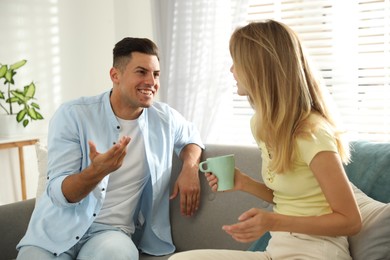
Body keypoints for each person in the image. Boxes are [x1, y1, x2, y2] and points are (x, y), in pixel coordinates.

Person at [168, 20, 362, 260]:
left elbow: (351, 221)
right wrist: (244, 182)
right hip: (277, 251)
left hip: (318, 252)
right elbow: (290, 199)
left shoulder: (312, 133)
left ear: (259, 68)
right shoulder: (262, 125)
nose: (231, 70)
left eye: (236, 62)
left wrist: (274, 221)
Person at [16, 37, 204, 260]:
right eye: (141, 72)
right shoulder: (73, 115)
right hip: (55, 231)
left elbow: (192, 138)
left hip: (111, 235)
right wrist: (97, 171)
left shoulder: (164, 119)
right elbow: (59, 193)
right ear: (115, 75)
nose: (151, 81)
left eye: (156, 74)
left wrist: (190, 167)